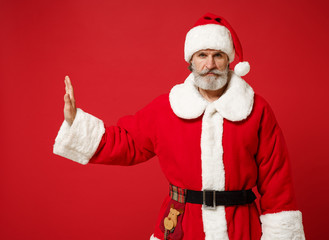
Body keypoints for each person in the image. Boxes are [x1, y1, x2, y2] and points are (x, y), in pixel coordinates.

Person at [54, 13, 305, 240]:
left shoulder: (256, 109)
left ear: (228, 61)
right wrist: (74, 122)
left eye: (218, 55)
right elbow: (126, 142)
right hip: (182, 226)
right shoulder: (167, 108)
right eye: (202, 56)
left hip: (241, 227)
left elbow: (277, 181)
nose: (210, 65)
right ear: (191, 61)